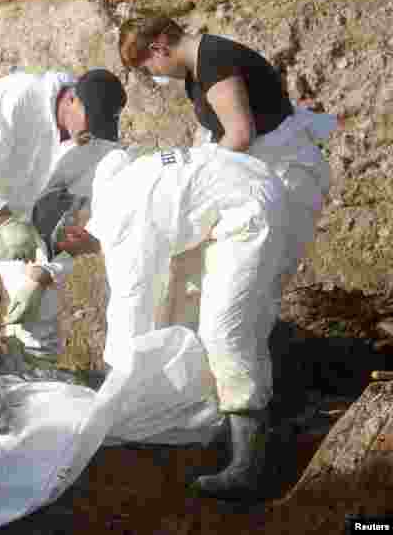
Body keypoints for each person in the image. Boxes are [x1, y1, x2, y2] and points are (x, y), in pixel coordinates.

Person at [64, 142, 288, 501]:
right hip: (232, 188)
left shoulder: (120, 229)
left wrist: (113, 392)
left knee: (225, 331)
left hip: (247, 205)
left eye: (66, 251)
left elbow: (130, 313)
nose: (73, 258)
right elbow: (116, 158)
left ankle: (247, 464)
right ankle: (213, 420)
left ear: (72, 234)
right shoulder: (110, 190)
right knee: (188, 313)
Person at [116, 17, 335, 303]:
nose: (155, 75)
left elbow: (240, 134)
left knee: (262, 275)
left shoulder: (214, 61)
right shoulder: (197, 71)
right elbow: (219, 131)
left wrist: (196, 177)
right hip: (260, 172)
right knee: (240, 280)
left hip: (285, 174)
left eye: (148, 68)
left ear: (159, 49)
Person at [0, 69, 127, 357]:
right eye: (91, 122)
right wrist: (3, 219)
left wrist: (40, 276)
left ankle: (32, 380)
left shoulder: (93, 146)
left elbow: (69, 216)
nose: (92, 134)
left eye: (101, 128)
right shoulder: (16, 97)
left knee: (37, 319)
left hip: (25, 233)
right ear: (72, 99)